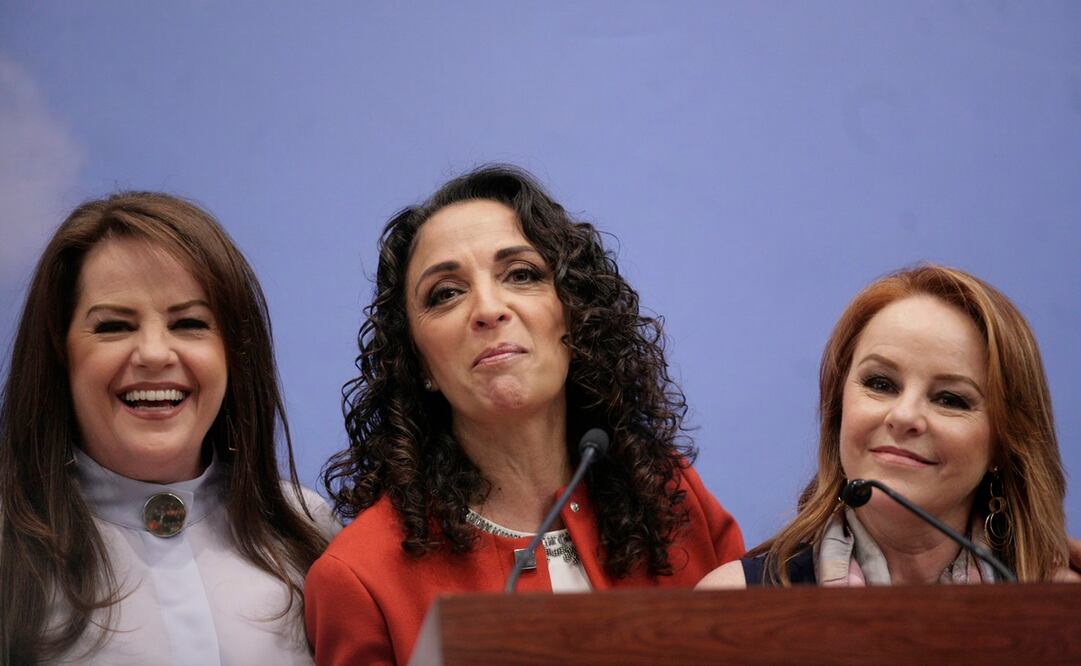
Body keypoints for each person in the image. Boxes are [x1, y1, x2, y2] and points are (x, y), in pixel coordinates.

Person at [305, 165, 744, 664]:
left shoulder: (674, 499)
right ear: (418, 362)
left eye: (522, 275)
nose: (488, 309)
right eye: (445, 293)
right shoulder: (360, 578)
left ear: (575, 315)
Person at [0, 193, 339, 664]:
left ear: (235, 354)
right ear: (60, 354)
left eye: (189, 323)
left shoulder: (307, 529)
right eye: (114, 326)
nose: (155, 353)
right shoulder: (8, 544)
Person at [698, 264, 1072, 589]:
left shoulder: (1062, 611)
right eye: (880, 384)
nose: (905, 416)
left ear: (1003, 443)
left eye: (949, 399)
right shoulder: (733, 603)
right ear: (837, 409)